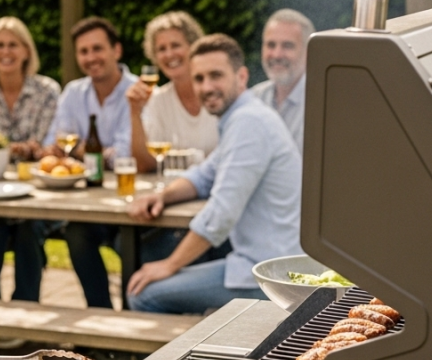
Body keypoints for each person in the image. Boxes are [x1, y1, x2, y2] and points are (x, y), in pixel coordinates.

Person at [126, 34, 301, 315]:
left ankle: (181, 358)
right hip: (259, 261)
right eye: (198, 78)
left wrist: (170, 264)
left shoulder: (249, 122)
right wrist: (162, 196)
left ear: (241, 77)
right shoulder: (242, 117)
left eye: (216, 76)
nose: (206, 87)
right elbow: (203, 176)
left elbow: (221, 213)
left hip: (272, 274)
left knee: (144, 294)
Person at [0, 17, 60, 301]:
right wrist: (23, 149)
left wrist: (8, 148)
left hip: (38, 195)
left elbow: (45, 148)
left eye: (13, 45)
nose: (6, 51)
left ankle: (24, 309)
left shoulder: (47, 91)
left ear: (27, 51)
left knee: (29, 226)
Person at [44, 17, 136, 308]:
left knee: (129, 244)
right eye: (83, 51)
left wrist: (78, 152)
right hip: (89, 204)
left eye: (98, 49)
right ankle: (102, 317)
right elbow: (55, 144)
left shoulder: (137, 92)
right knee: (76, 233)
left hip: (131, 203)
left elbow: (126, 155)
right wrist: (90, 153)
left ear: (116, 51)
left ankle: (133, 322)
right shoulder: (73, 92)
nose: (91, 57)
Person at [126, 10, 218, 171]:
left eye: (175, 45)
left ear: (193, 47)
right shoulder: (158, 100)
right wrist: (135, 112)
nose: (169, 54)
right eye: (161, 49)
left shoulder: (217, 93)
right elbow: (144, 165)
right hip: (176, 190)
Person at [251, 9, 315, 151]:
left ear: (309, 52)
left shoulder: (319, 104)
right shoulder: (254, 98)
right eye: (271, 45)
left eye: (287, 46)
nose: (277, 54)